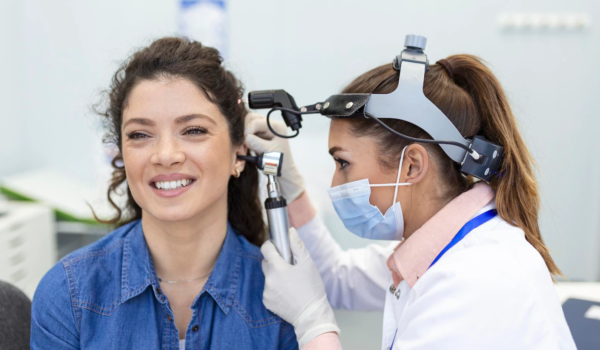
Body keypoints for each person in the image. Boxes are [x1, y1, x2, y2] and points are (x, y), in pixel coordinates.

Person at [245, 54, 576, 349]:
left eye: (343, 163)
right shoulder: (441, 246)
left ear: (412, 165)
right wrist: (292, 183)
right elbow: (335, 277)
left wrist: (312, 322)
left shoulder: (475, 279)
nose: (335, 185)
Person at [30, 37, 298, 350]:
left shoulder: (284, 298)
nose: (165, 155)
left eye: (194, 130)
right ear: (121, 155)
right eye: (140, 135)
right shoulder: (69, 293)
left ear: (239, 154)